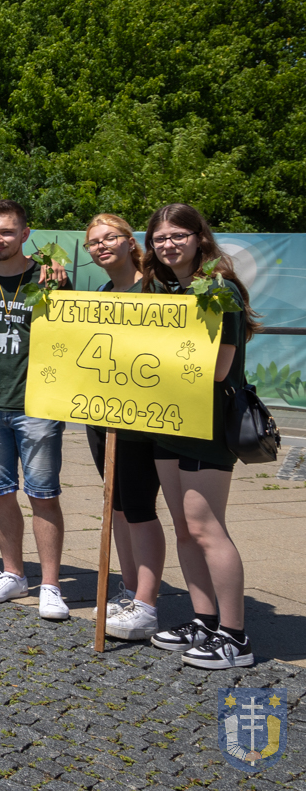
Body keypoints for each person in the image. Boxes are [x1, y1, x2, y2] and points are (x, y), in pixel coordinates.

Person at [142, 204, 258, 669]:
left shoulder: (217, 289)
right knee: (185, 529)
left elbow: (219, 368)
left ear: (199, 238)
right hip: (169, 421)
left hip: (208, 425)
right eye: (160, 238)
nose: (168, 244)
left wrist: (150, 365)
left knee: (207, 529)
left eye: (178, 235)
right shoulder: (167, 289)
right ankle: (205, 621)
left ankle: (235, 637)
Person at [0, 201, 71, 620]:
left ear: (25, 234)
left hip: (37, 405)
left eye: (6, 232)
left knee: (43, 495)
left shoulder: (49, 278)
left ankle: (51, 586)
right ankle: (13, 574)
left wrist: (57, 266)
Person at [81, 213, 166, 642]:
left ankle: (147, 605)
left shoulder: (154, 288)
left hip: (142, 418)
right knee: (115, 504)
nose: (101, 246)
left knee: (139, 507)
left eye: (109, 238)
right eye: (93, 242)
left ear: (130, 241)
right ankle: (130, 591)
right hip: (102, 415)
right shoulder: (103, 293)